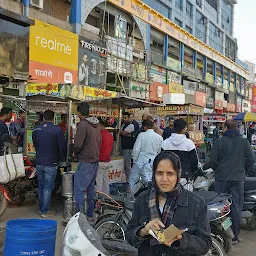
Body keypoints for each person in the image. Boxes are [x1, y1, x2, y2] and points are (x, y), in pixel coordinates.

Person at [126, 151, 211, 256]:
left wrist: (181, 240)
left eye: (170, 173)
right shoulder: (142, 200)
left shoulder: (196, 203)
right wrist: (143, 231)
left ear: (178, 175)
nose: (164, 179)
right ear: (154, 174)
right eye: (159, 173)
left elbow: (205, 244)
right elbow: (129, 236)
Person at [205, 120, 254, 244]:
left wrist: (218, 170)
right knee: (236, 207)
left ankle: (224, 235)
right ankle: (235, 236)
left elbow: (213, 162)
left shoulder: (220, 141)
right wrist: (243, 169)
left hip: (221, 179)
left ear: (226, 128)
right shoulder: (243, 141)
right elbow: (251, 160)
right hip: (238, 179)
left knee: (221, 208)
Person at [32, 110, 66, 218]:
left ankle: (42, 208)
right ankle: (44, 211)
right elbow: (61, 147)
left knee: (41, 186)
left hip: (39, 161)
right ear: (53, 118)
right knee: (47, 187)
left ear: (43, 118)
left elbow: (35, 145)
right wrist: (62, 159)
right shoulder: (57, 130)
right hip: (51, 162)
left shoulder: (36, 129)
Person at [73, 102, 101, 222]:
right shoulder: (96, 125)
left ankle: (79, 218)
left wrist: (75, 153)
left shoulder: (83, 125)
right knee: (90, 189)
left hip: (85, 160)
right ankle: (90, 215)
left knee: (78, 190)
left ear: (79, 113)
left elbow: (78, 144)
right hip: (95, 160)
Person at [129, 119, 163, 194]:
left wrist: (134, 161)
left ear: (144, 127)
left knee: (133, 179)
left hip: (141, 161)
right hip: (153, 161)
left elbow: (136, 150)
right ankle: (150, 196)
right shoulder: (159, 137)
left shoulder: (142, 135)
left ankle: (134, 195)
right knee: (150, 180)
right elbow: (159, 151)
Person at [96, 118, 114, 195]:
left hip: (100, 161)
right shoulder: (110, 135)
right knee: (106, 182)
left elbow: (96, 148)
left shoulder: (99, 135)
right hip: (108, 161)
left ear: (100, 125)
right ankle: (107, 198)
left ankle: (99, 200)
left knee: (99, 183)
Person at [120, 112, 135, 181]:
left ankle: (129, 180)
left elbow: (122, 133)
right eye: (123, 117)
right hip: (123, 147)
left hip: (128, 148)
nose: (124, 119)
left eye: (126, 118)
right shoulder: (123, 124)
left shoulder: (131, 125)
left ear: (129, 118)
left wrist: (122, 133)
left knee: (127, 165)